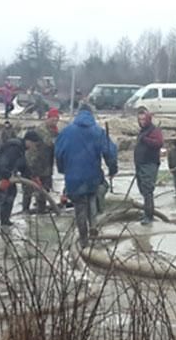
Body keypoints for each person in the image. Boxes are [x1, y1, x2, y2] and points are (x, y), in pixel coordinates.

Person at [55, 104, 118, 247]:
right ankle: (93, 226)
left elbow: (58, 153)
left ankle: (83, 239)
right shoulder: (98, 131)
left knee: (79, 207)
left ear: (78, 114)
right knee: (91, 197)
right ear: (91, 114)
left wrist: (62, 169)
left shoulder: (66, 132)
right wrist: (112, 169)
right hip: (92, 175)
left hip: (73, 177)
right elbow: (110, 152)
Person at [0, 132, 34, 234]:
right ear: (28, 141)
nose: (34, 147)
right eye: (33, 143)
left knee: (11, 192)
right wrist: (5, 178)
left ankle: (5, 220)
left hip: (5, 173)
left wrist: (33, 177)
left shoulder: (21, 150)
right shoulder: (14, 148)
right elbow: (3, 163)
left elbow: (23, 166)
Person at [22, 108, 59, 214]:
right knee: (29, 189)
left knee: (44, 189)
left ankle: (41, 210)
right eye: (53, 119)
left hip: (46, 165)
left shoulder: (54, 131)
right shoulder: (41, 130)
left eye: (56, 120)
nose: (54, 122)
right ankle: (25, 211)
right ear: (48, 119)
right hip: (34, 163)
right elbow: (49, 143)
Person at [134, 109, 164, 224]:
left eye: (143, 119)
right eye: (139, 119)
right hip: (140, 164)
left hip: (149, 164)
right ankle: (146, 212)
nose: (141, 122)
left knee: (147, 190)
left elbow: (159, 143)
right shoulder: (143, 131)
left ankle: (149, 216)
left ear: (148, 119)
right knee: (142, 189)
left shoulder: (154, 130)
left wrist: (145, 140)